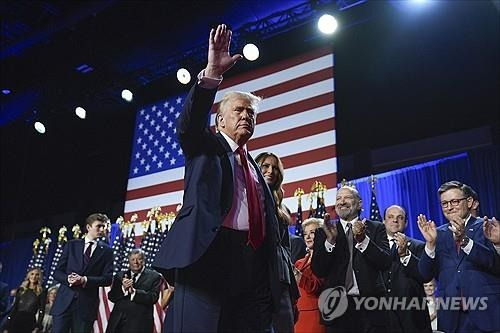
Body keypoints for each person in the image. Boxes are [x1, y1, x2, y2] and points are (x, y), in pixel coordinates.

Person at [152, 24, 283, 332]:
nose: (246, 116)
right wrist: (211, 74)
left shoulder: (254, 167)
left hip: (251, 264)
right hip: (207, 257)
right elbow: (188, 125)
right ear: (219, 120)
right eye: (239, 110)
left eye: (251, 113)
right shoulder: (205, 147)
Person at [417, 181, 500, 332]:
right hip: (452, 319)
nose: (449, 207)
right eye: (444, 203)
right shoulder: (437, 234)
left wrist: (465, 241)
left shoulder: (487, 227)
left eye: (454, 201)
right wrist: (430, 245)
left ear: (469, 202)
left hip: (487, 313)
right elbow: (424, 274)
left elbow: (495, 264)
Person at [311, 185, 391, 333]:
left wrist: (363, 240)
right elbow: (319, 270)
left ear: (359, 203)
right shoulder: (324, 232)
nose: (341, 202)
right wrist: (330, 242)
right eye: (338, 199)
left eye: (347, 197)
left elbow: (385, 262)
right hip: (336, 308)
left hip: (370, 308)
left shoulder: (375, 228)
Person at [255, 151, 300, 332]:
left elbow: (286, 250)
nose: (270, 171)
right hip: (257, 279)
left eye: (275, 168)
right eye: (265, 166)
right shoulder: (247, 199)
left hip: (281, 281)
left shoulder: (283, 208)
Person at [51, 213, 113, 333]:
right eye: (98, 226)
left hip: (86, 306)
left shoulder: (107, 251)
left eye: (103, 227)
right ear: (88, 227)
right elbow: (57, 272)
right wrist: (68, 279)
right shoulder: (71, 245)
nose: (101, 229)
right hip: (64, 303)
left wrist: (84, 280)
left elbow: (107, 279)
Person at [382, 205, 431, 333]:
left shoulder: (419, 246)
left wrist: (405, 254)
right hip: (382, 315)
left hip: (412, 317)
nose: (395, 220)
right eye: (390, 217)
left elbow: (424, 276)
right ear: (384, 221)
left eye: (400, 218)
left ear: (406, 223)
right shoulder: (376, 247)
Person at [106, 249, 162, 333]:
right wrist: (123, 289)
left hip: (139, 324)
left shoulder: (154, 276)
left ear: (144, 260)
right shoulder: (120, 276)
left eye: (139, 259)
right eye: (132, 259)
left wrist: (134, 292)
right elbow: (112, 297)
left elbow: (153, 297)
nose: (135, 262)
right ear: (128, 261)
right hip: (118, 322)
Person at [294, 218, 325, 333]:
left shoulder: (324, 260)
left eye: (312, 233)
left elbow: (315, 287)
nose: (307, 237)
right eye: (305, 234)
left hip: (314, 313)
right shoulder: (299, 263)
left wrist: (297, 275)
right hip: (298, 314)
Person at [3, 267, 45, 332]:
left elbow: (41, 311)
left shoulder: (41, 292)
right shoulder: (21, 290)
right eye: (32, 274)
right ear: (28, 275)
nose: (34, 276)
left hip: (29, 322)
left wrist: (37, 326)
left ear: (39, 277)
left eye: (37, 274)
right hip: (16, 320)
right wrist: (7, 325)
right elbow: (14, 308)